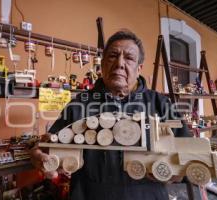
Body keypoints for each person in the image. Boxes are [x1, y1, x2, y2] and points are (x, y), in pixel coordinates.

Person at [31, 30, 190, 200]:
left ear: (139, 69)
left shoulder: (160, 103)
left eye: (129, 58)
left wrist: (180, 171)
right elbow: (49, 145)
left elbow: (188, 153)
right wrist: (40, 155)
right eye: (113, 55)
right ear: (103, 65)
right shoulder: (79, 104)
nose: (120, 63)